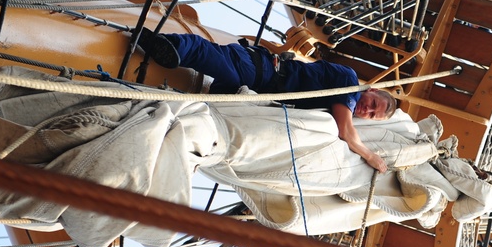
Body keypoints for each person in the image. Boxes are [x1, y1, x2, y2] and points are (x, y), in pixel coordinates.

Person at [137, 30, 396, 173]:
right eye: (373, 103)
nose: (368, 110)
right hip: (261, 70)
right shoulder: (349, 82)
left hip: (250, 93)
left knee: (207, 121)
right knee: (214, 59)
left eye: (373, 115)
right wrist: (370, 155)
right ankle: (163, 44)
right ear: (370, 89)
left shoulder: (330, 111)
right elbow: (346, 132)